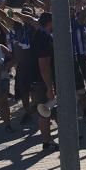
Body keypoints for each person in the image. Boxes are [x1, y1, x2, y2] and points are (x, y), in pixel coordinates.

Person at [30, 12, 57, 152]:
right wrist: (49, 87)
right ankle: (47, 141)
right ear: (50, 22)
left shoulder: (40, 34)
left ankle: (64, 136)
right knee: (44, 112)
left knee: (52, 110)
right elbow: (44, 65)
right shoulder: (43, 38)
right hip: (41, 82)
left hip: (39, 80)